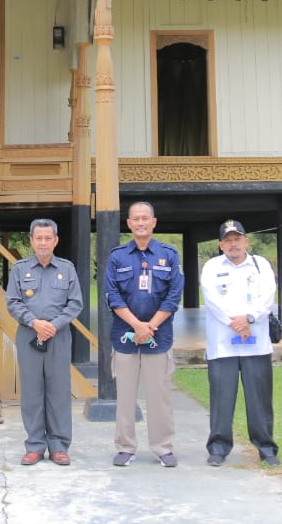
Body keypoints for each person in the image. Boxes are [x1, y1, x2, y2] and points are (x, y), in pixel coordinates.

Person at [105, 201, 185, 468]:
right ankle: (125, 447)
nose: (140, 223)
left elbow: (174, 296)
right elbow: (112, 295)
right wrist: (136, 326)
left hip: (158, 337)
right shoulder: (118, 256)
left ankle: (163, 447)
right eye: (135, 219)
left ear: (154, 222)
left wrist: (150, 326)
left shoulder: (169, 254)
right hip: (125, 337)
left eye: (145, 218)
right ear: (128, 224)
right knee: (125, 396)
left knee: (159, 395)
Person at [200, 219, 279, 467]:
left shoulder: (260, 265)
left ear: (246, 241)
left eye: (237, 239)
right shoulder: (212, 267)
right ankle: (219, 448)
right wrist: (234, 322)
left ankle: (266, 448)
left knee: (260, 400)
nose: (233, 244)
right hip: (223, 345)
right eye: (228, 240)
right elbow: (211, 300)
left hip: (256, 344)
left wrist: (250, 318)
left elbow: (268, 296)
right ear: (221, 244)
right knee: (222, 399)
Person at [6, 218, 83, 466]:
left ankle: (59, 446)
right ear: (31, 241)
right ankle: (35, 445)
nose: (43, 243)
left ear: (55, 240)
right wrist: (34, 323)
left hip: (58, 336)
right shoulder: (19, 269)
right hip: (29, 335)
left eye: (47, 238)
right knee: (32, 392)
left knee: (59, 391)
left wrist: (54, 325)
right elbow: (13, 302)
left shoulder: (67, 269)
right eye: (38, 238)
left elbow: (75, 303)